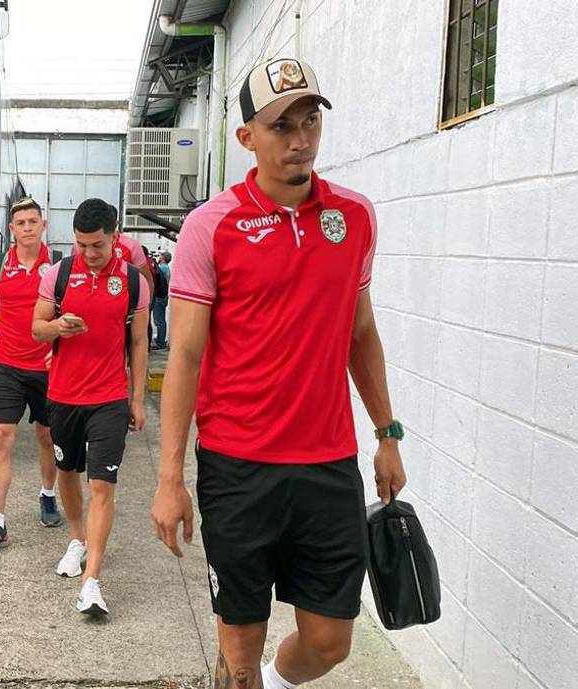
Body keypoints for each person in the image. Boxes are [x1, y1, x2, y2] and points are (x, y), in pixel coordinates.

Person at [150, 58, 406, 689]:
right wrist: (169, 477)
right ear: (248, 138)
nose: (300, 139)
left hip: (327, 465)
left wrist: (387, 432)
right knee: (240, 652)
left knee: (329, 643)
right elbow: (183, 357)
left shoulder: (355, 217)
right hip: (239, 467)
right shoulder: (211, 227)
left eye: (310, 120)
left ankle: (271, 678)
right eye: (281, 125)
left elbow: (361, 333)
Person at [33, 197, 150, 616]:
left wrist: (137, 399)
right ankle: (77, 539)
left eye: (97, 245)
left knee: (101, 486)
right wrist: (58, 327)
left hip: (110, 399)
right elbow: (37, 330)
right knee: (68, 473)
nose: (89, 253)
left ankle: (92, 581)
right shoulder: (58, 275)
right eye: (82, 244)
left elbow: (138, 343)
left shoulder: (134, 282)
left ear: (115, 236)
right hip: (63, 396)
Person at [0, 197, 63, 552]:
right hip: (5, 365)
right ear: (11, 229)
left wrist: (61, 355)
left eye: (32, 221)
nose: (27, 227)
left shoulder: (57, 267)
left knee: (47, 437)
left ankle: (48, 494)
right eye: (20, 222)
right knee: (0, 439)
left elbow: (69, 319)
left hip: (48, 368)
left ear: (43, 225)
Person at [152, 251, 171, 349]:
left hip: (159, 296)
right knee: (161, 319)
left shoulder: (162, 268)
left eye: (160, 255)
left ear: (163, 258)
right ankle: (161, 340)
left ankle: (160, 343)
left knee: (159, 320)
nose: (158, 257)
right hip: (164, 296)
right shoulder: (166, 268)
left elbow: (155, 278)